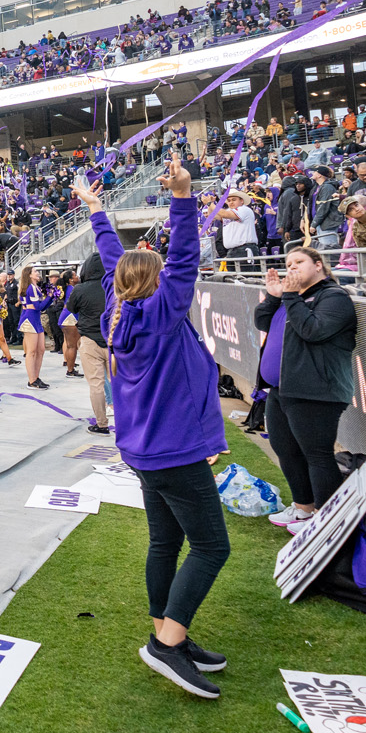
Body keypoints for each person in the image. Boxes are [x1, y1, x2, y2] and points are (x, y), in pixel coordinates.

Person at [76, 164, 231, 700]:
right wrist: (184, 197)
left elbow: (114, 255)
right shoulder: (163, 309)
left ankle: (168, 629)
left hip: (144, 449)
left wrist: (95, 208)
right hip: (172, 451)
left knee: (167, 540)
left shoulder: (119, 305)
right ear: (158, 280)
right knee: (212, 547)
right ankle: (167, 644)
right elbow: (185, 253)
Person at [256, 247, 357, 533]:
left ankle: (328, 521)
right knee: (285, 449)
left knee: (317, 454)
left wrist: (288, 297)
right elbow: (263, 321)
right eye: (288, 264)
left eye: (298, 262)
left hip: (314, 391)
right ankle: (304, 508)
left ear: (318, 264)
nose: (292, 269)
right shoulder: (293, 298)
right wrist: (275, 297)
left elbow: (313, 330)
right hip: (281, 389)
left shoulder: (333, 297)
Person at [65, 252, 112, 434]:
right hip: (114, 341)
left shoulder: (80, 289)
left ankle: (102, 424)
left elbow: (71, 308)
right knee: (122, 383)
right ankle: (131, 423)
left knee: (96, 385)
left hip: (90, 340)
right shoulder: (114, 287)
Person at [16, 265, 51, 389]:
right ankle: (32, 380)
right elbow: (38, 306)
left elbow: (41, 306)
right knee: (31, 352)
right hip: (30, 319)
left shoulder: (34, 287)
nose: (38, 273)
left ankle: (36, 377)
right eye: (35, 271)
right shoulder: (31, 287)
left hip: (35, 318)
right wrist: (51, 297)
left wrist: (51, 298)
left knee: (41, 350)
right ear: (29, 275)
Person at [214, 188, 261, 270]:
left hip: (244, 249)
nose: (231, 202)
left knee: (247, 278)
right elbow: (214, 215)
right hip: (231, 251)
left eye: (234, 200)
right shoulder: (229, 212)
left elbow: (223, 213)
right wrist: (210, 204)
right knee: (234, 280)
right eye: (228, 200)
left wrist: (210, 203)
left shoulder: (244, 209)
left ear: (241, 201)